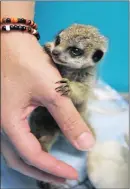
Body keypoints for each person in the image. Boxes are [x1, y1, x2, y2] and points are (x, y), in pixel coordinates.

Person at [1, 1, 95, 184]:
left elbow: (82, 92)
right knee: (40, 144)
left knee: (89, 142)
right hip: (42, 114)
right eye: (59, 41)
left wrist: (71, 88)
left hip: (76, 115)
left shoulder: (86, 73)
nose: (58, 51)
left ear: (94, 57)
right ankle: (46, 180)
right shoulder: (52, 51)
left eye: (74, 51)